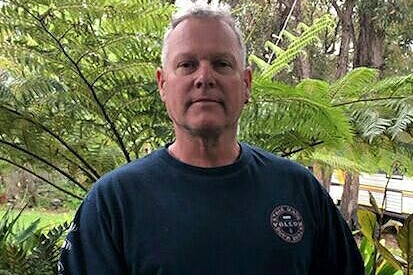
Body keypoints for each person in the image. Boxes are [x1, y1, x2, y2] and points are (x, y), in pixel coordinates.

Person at [58, 1, 364, 274]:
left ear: (246, 84)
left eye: (221, 64)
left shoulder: (299, 190)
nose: (204, 78)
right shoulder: (113, 202)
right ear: (163, 84)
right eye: (187, 65)